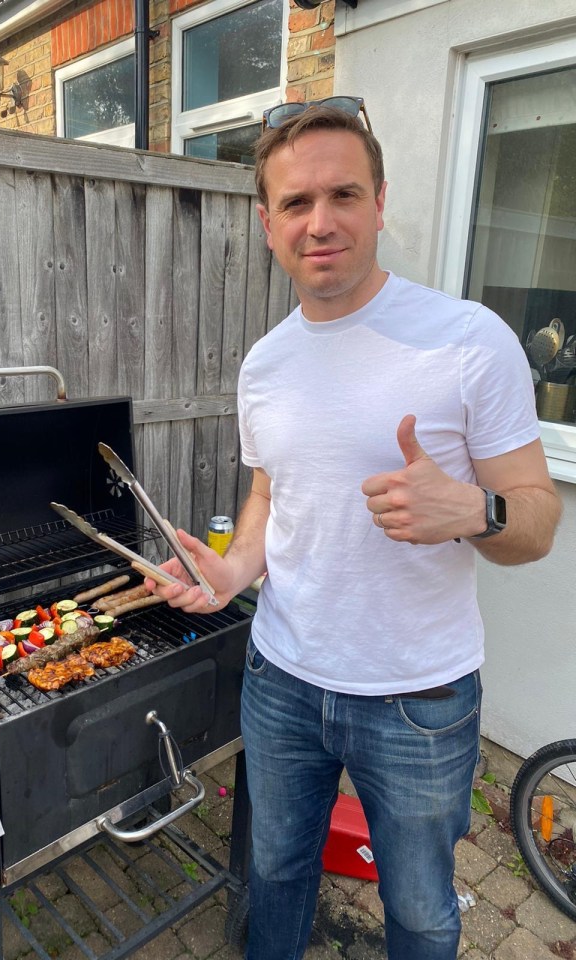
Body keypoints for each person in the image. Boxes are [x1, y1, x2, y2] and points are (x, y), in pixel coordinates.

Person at [145, 101, 562, 960]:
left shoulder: (467, 340)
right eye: (296, 203)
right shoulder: (265, 362)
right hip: (282, 678)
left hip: (418, 699)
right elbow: (269, 500)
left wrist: (476, 512)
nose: (321, 221)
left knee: (419, 909)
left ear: (380, 202)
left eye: (343, 194)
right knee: (277, 877)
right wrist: (230, 574)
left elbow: (538, 521)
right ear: (269, 224)